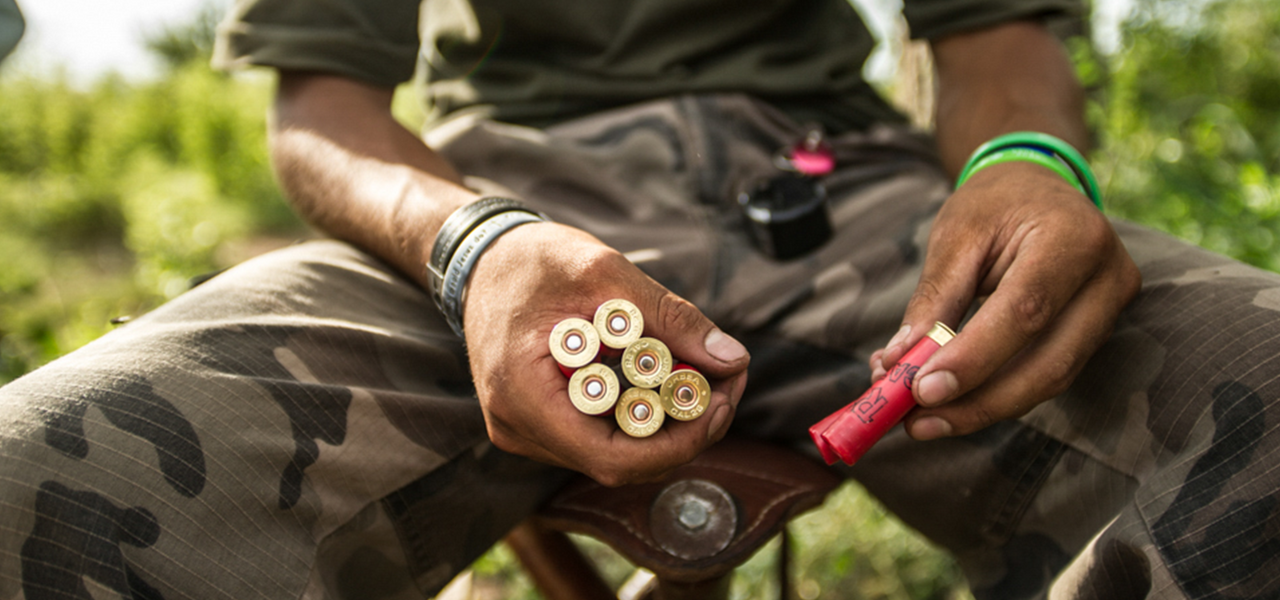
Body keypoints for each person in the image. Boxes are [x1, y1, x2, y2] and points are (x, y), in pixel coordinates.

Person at [1, 0, 1278, 597]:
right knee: (27, 484)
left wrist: (1024, 164)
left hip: (858, 200)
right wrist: (477, 247)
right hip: (492, 217)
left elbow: (997, 43)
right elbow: (321, 111)